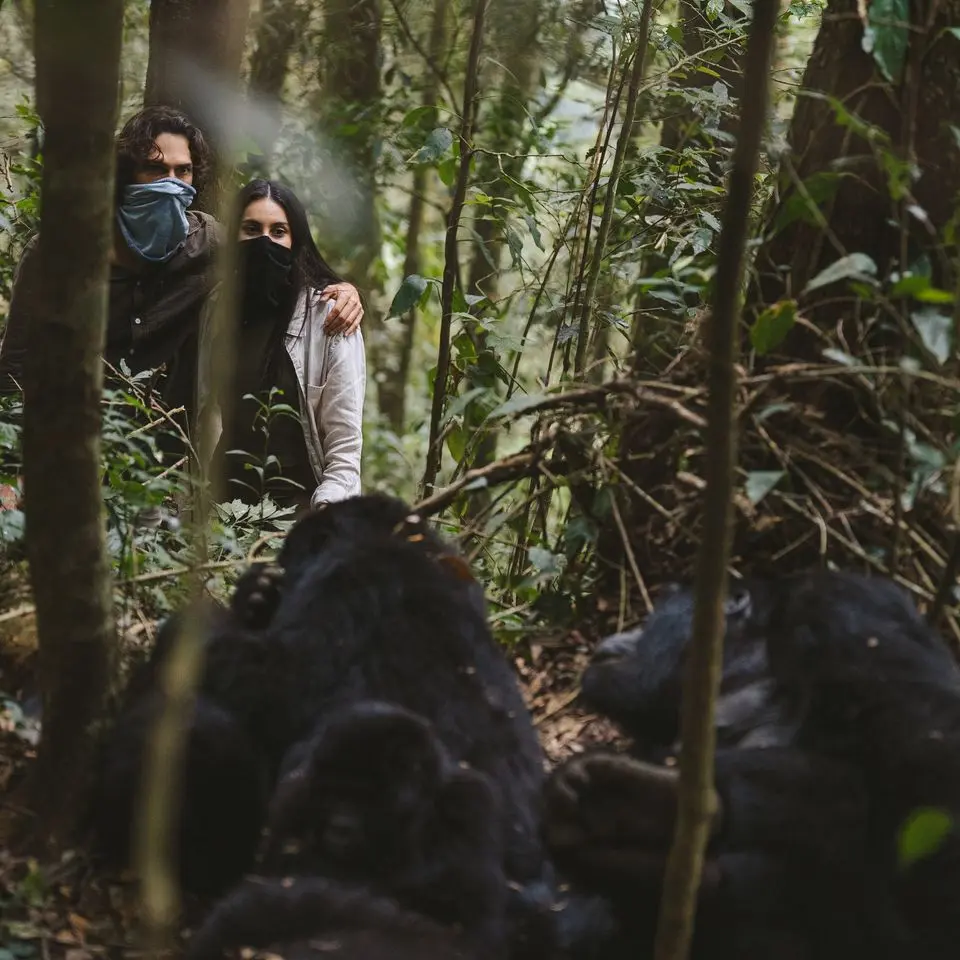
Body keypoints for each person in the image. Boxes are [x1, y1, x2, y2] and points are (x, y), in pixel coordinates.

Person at [0, 105, 364, 424]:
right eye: (155, 169)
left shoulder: (210, 243)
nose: (171, 184)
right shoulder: (58, 252)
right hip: (71, 447)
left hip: (165, 455)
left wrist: (344, 290)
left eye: (183, 171)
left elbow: (278, 262)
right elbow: (15, 366)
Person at [198, 179, 365, 513]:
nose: (265, 241)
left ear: (295, 240)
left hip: (302, 509)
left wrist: (326, 515)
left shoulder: (329, 314)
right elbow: (205, 410)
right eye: (251, 229)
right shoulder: (217, 307)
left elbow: (345, 447)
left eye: (278, 231)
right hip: (224, 509)